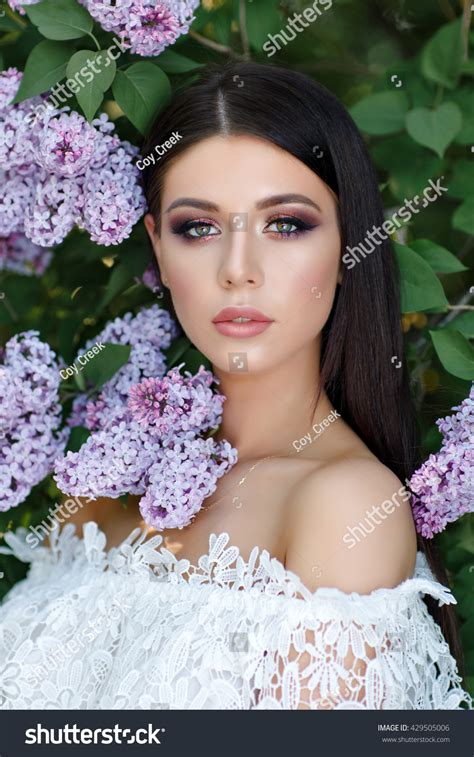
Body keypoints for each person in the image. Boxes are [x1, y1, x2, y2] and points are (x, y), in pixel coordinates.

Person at [0, 60, 471, 710]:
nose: (238, 270)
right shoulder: (102, 481)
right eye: (198, 227)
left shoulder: (343, 506)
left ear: (347, 247)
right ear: (158, 251)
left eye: (286, 224)